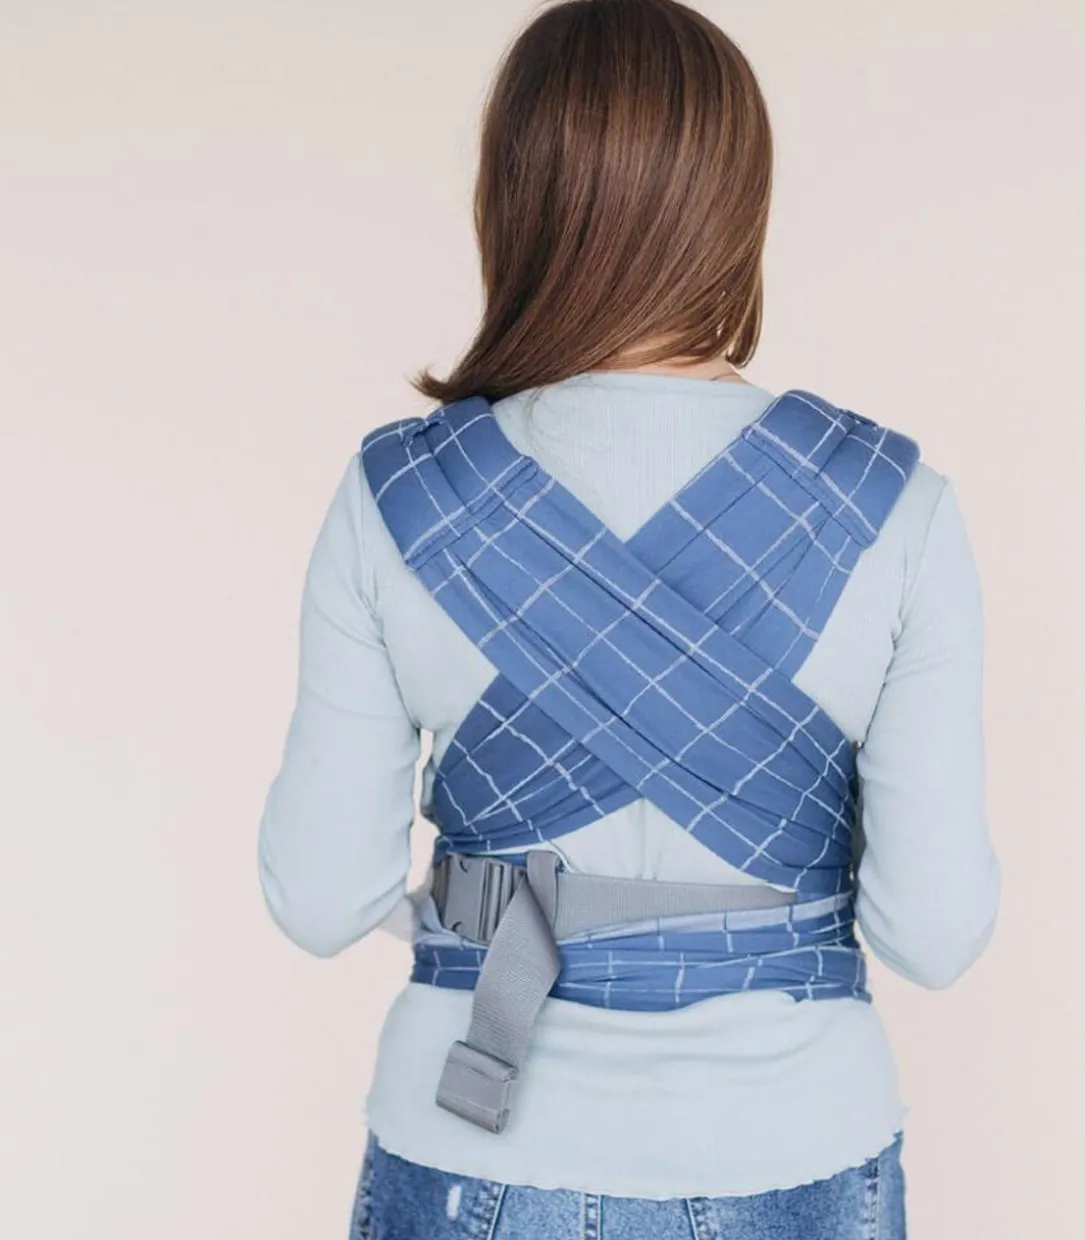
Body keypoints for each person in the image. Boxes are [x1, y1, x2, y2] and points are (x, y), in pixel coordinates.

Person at [257, 1, 1001, 1236]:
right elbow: (933, 933)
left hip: (472, 1142)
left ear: (514, 198)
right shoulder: (894, 508)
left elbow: (321, 896)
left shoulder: (400, 495)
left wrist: (498, 918)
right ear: (737, 204)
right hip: (794, 1144)